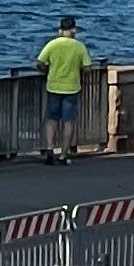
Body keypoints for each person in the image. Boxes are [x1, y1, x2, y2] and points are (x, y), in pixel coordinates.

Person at [36, 15, 91, 161]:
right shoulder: (79, 47)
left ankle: (49, 149)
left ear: (60, 29)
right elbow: (87, 68)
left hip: (53, 85)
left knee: (51, 119)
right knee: (68, 122)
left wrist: (48, 71)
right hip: (72, 87)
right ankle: (63, 153)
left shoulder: (52, 45)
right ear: (74, 30)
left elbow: (40, 62)